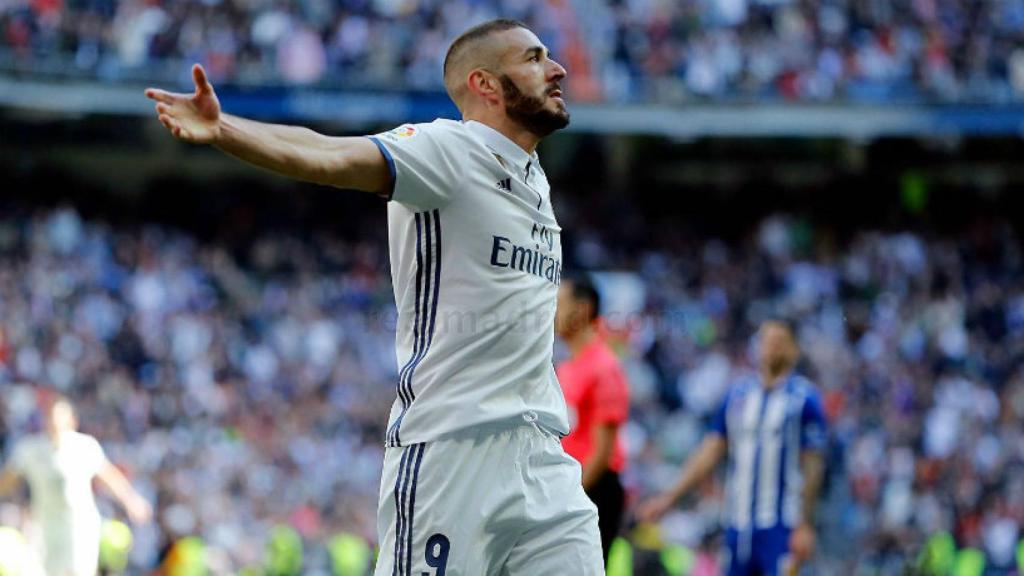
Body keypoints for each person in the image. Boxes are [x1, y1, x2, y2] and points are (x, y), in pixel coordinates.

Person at [145, 18, 604, 575]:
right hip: (453, 450)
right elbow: (330, 153)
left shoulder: (533, 178)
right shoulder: (450, 150)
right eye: (533, 58)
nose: (557, 69)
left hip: (544, 454)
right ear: (484, 84)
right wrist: (225, 129)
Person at [637, 321, 827, 576]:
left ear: (793, 350)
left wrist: (804, 524)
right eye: (766, 341)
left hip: (782, 525)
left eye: (779, 342)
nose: (771, 348)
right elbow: (710, 451)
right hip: (738, 523)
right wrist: (669, 497)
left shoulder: (804, 399)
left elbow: (812, 466)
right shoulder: (738, 395)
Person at [0, 394, 152, 576]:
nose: (54, 422)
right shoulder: (30, 450)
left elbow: (109, 476)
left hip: (79, 526)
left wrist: (131, 500)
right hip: (45, 527)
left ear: (72, 420)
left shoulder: (84, 447)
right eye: (50, 417)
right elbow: (8, 480)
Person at [554, 274, 629, 564]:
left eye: (559, 304)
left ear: (582, 309)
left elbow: (602, 453)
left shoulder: (604, 367)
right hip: (571, 487)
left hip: (594, 490)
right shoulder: (567, 367)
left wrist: (568, 500)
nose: (553, 312)